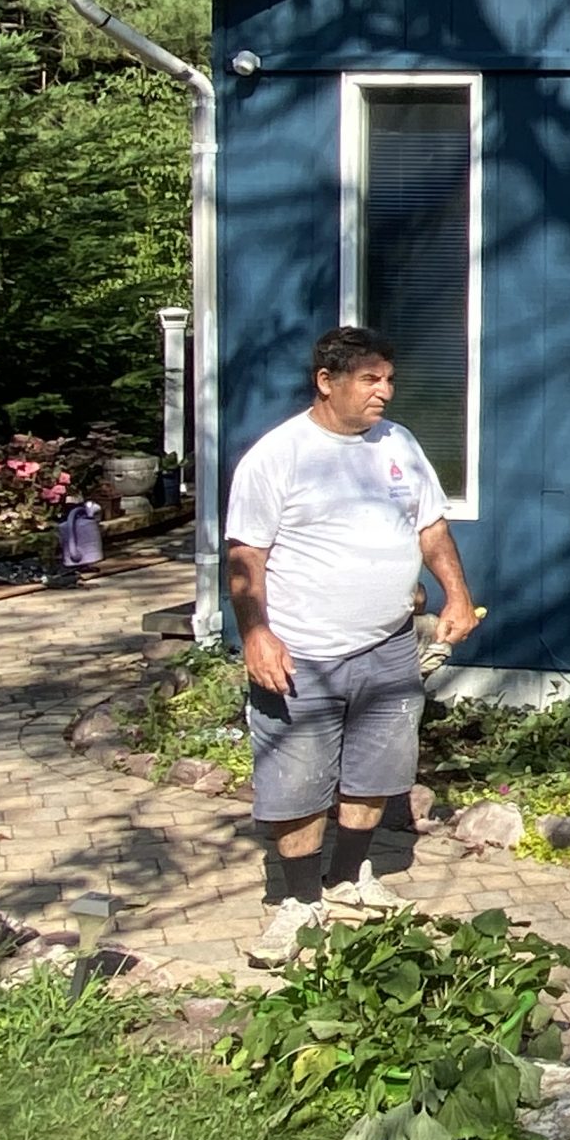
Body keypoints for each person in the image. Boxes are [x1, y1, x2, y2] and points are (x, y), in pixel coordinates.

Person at [225, 325, 480, 965]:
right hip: (301, 650)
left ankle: (346, 881)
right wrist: (256, 633)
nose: (385, 393)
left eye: (388, 379)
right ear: (327, 382)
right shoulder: (279, 455)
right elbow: (244, 556)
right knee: (296, 778)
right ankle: (300, 901)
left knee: (378, 770)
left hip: (388, 646)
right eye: (370, 379)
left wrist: (453, 594)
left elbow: (430, 526)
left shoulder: (398, 445)